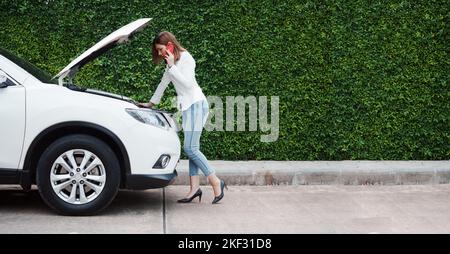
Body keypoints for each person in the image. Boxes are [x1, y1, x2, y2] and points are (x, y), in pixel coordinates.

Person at [138, 31, 227, 204]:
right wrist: (151, 103)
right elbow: (163, 83)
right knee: (193, 149)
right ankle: (194, 189)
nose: (159, 53)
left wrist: (172, 66)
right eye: (157, 50)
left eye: (160, 49)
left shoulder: (187, 59)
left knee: (191, 148)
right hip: (187, 108)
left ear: (170, 45)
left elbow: (187, 84)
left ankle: (216, 181)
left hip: (197, 105)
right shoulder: (170, 63)